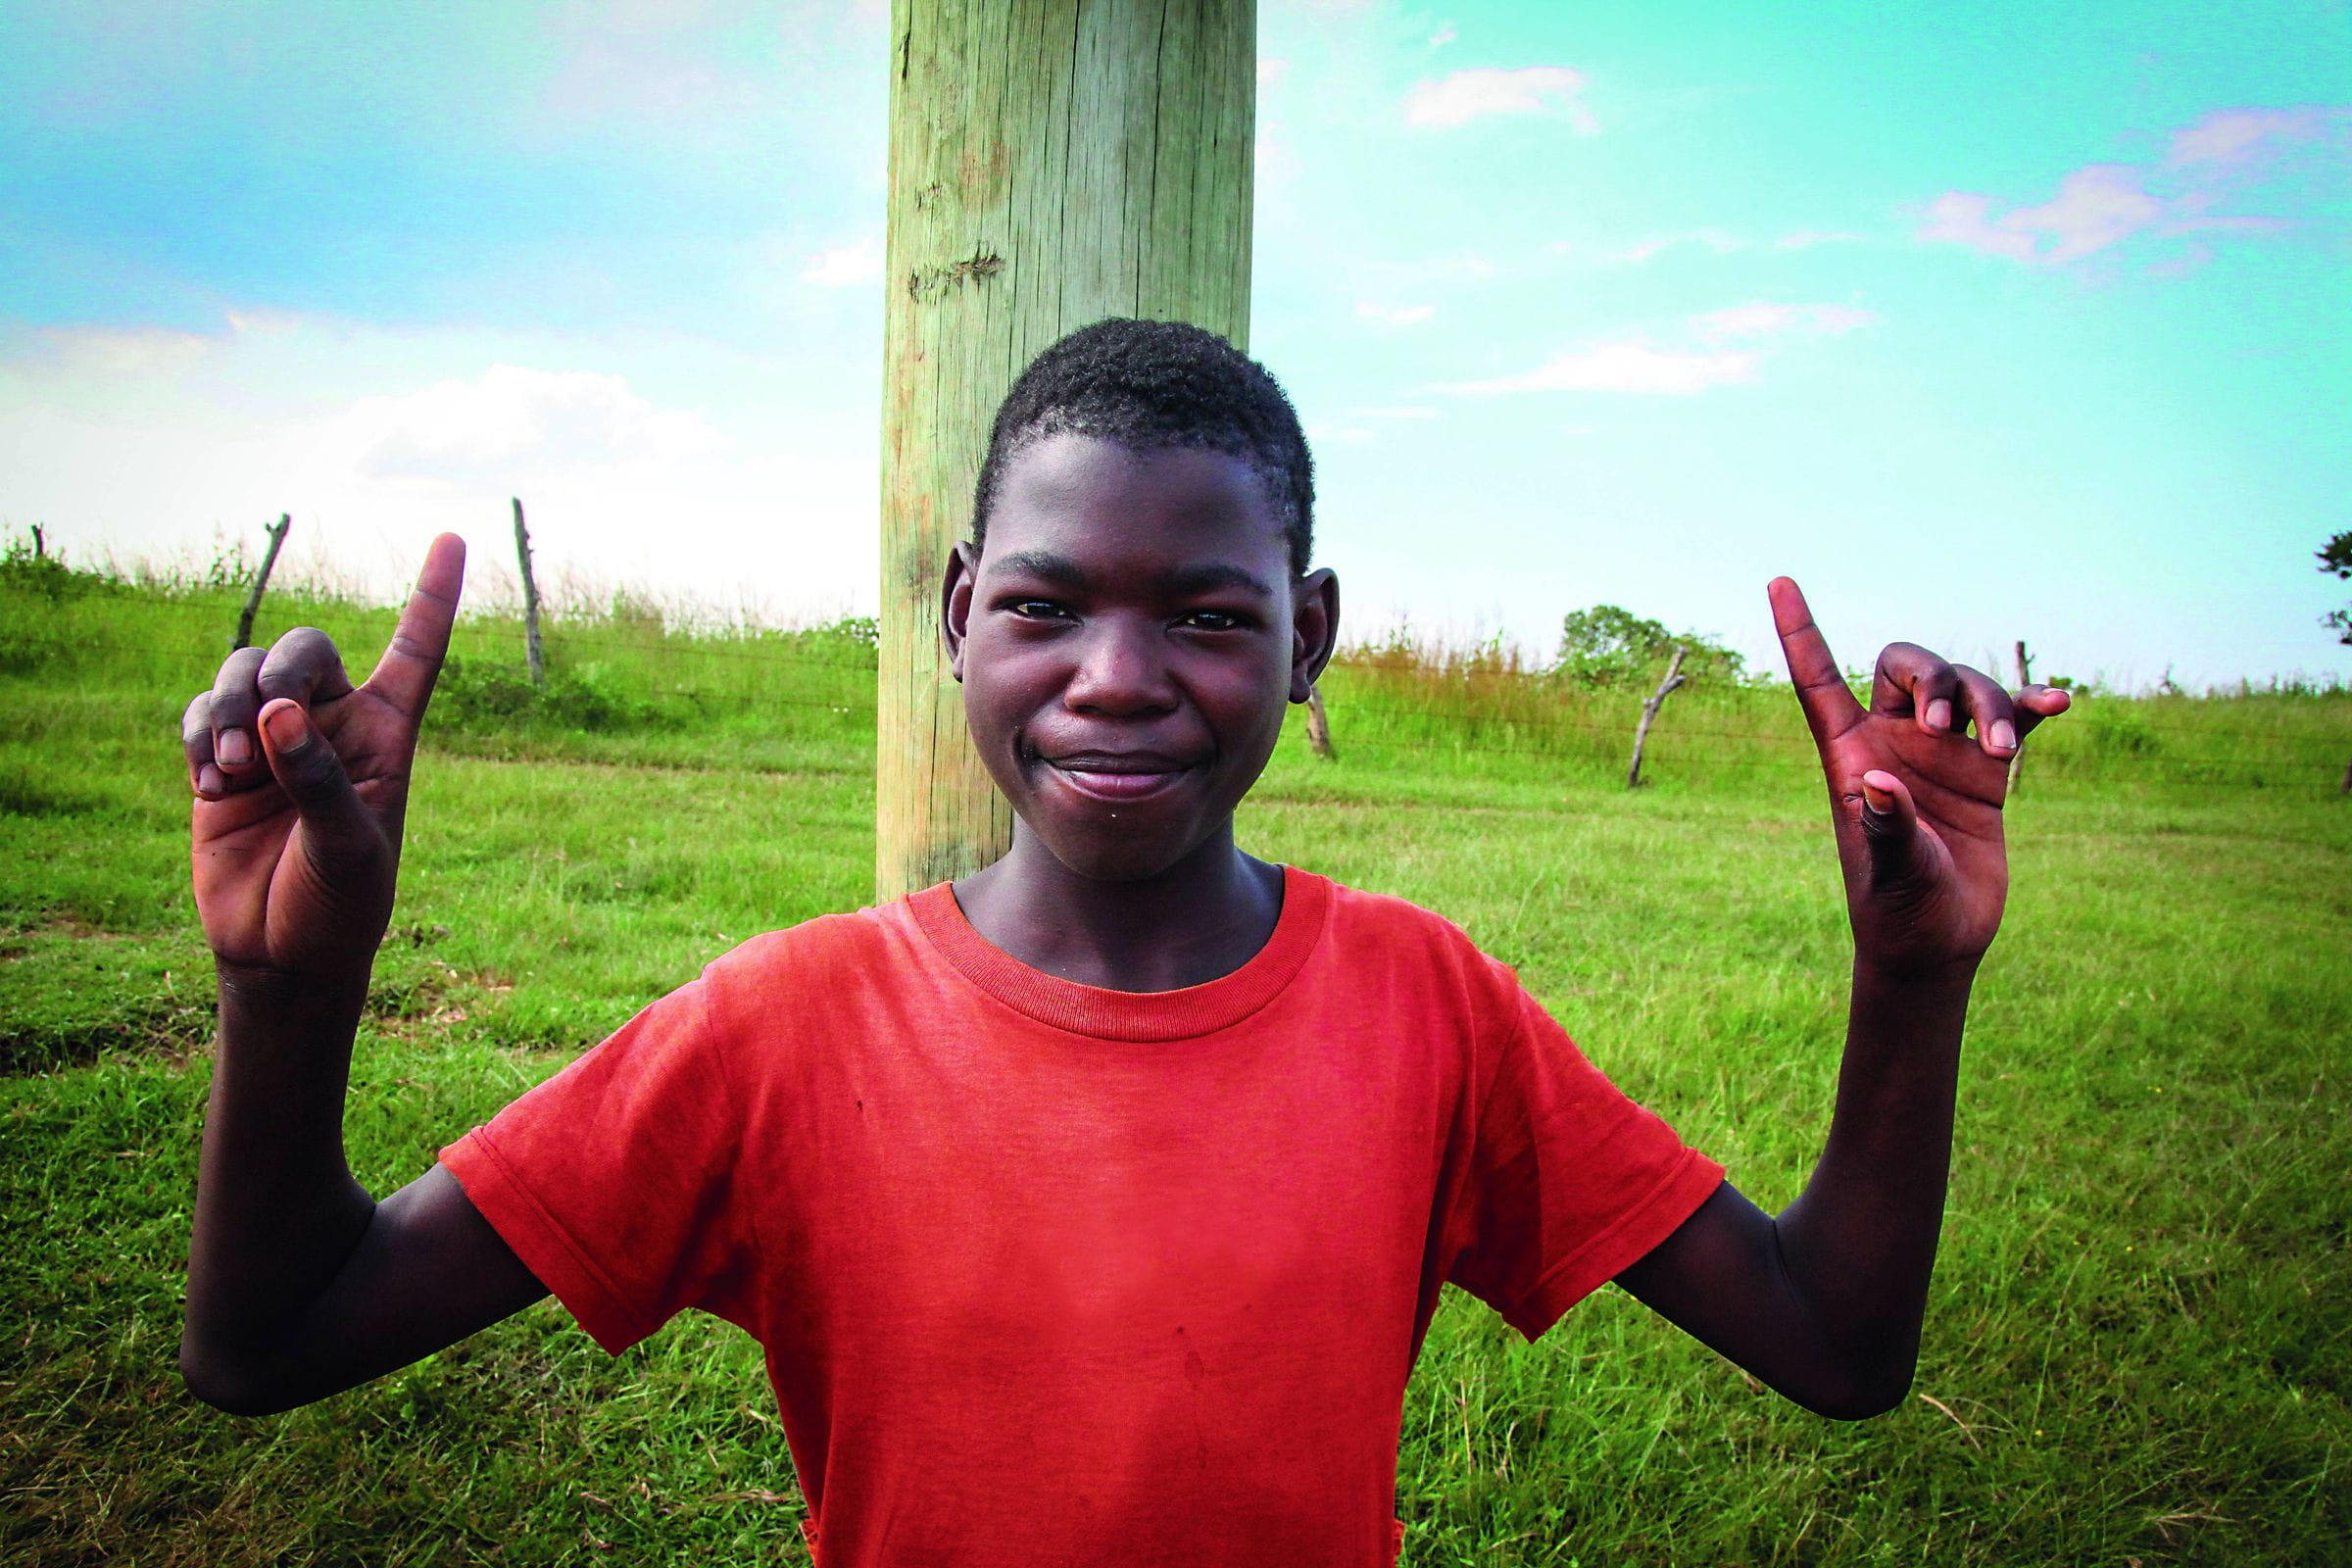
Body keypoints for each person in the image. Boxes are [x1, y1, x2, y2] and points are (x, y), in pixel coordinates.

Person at [177, 319, 2069, 1567]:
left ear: (1309, 636)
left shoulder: (1427, 1010)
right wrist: (289, 989)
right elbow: (272, 1341)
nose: (1118, 678)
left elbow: (1833, 1346)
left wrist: (1916, 984)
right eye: (1047, 604)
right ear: (954, 615)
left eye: (1210, 617)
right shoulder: (784, 1029)